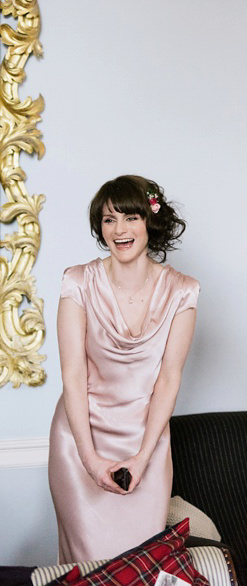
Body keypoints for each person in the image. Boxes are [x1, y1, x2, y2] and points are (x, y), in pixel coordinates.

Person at [48, 175, 199, 563]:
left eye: (129, 218)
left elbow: (168, 379)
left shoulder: (183, 290)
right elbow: (73, 377)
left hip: (144, 442)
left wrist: (144, 456)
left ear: (150, 220)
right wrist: (90, 459)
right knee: (92, 569)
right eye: (108, 220)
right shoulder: (78, 282)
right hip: (82, 438)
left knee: (143, 566)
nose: (119, 230)